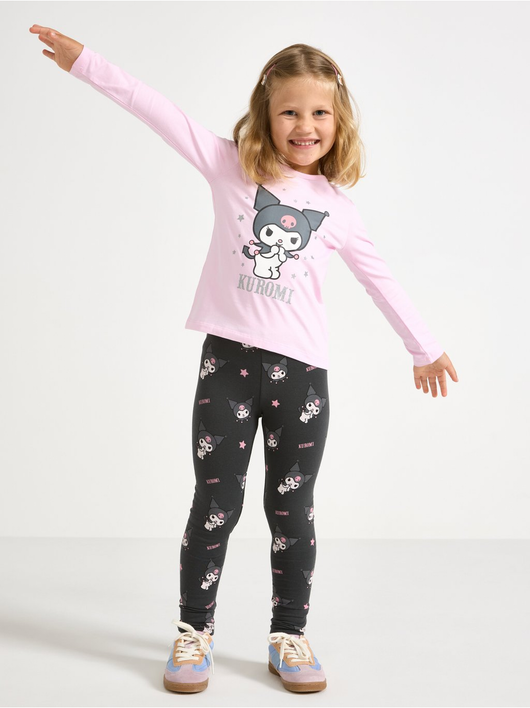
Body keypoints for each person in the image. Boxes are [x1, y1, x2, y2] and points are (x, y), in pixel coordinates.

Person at [29, 24, 459, 695]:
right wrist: (88, 64)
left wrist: (424, 347)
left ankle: (290, 634)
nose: (305, 126)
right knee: (215, 502)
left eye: (319, 113)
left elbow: (381, 281)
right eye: (290, 111)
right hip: (226, 368)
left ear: (339, 120)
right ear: (265, 111)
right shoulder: (231, 166)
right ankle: (193, 631)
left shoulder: (338, 212)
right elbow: (156, 109)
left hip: (303, 380)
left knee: (292, 511)